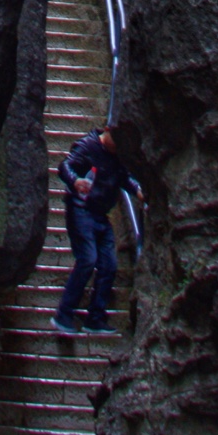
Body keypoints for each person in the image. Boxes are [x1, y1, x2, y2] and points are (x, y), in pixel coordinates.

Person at [52, 119, 131, 336]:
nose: (118, 146)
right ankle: (64, 315)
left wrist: (138, 190)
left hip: (100, 213)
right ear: (106, 131)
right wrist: (75, 181)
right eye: (116, 140)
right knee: (88, 259)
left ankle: (96, 318)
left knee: (109, 264)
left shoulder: (118, 154)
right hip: (81, 209)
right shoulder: (88, 146)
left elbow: (123, 177)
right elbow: (65, 166)